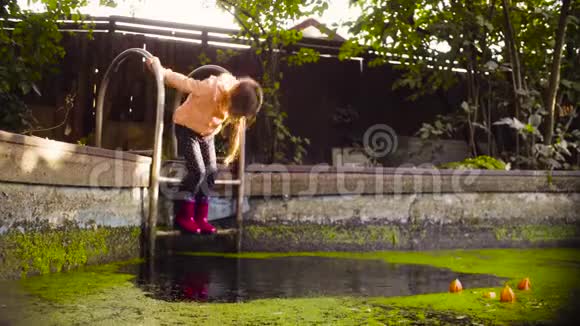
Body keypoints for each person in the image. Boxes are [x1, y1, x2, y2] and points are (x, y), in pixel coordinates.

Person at [147, 57, 262, 234]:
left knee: (211, 172)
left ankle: (201, 217)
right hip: (186, 128)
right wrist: (161, 70)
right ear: (232, 98)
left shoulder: (238, 96)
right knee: (197, 171)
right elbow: (185, 83)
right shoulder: (210, 88)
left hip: (206, 134)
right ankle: (183, 215)